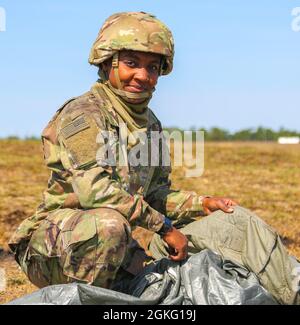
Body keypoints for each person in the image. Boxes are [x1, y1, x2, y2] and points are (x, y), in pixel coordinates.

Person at [9, 12, 299, 304]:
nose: (143, 76)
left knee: (232, 220)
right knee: (108, 226)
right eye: (131, 63)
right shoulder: (83, 115)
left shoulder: (151, 124)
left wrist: (202, 204)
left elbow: (157, 193)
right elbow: (95, 192)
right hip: (56, 247)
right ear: (108, 62)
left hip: (125, 246)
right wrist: (166, 228)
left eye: (153, 67)